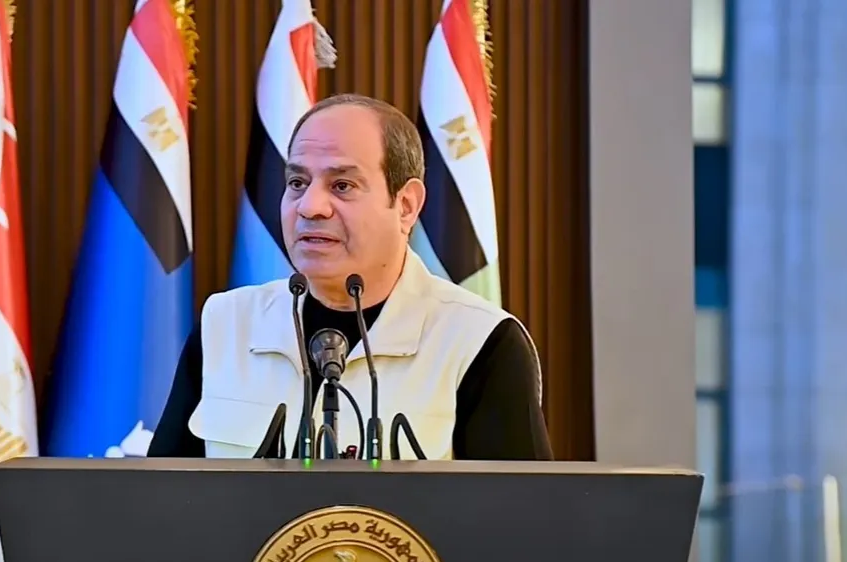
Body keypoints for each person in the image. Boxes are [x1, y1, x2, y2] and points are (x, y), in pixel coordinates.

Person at [147, 93, 552, 461]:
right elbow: (163, 500)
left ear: (406, 205)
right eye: (297, 183)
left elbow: (521, 513)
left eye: (342, 185)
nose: (310, 207)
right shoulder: (226, 324)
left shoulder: (478, 342)